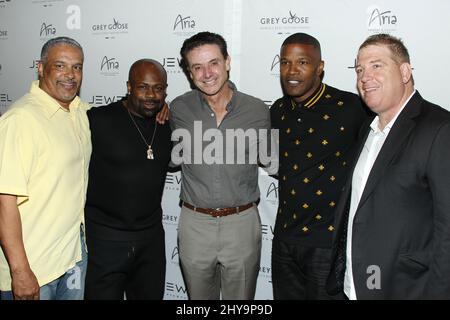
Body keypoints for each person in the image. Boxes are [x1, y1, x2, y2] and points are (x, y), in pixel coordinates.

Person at [327, 33, 450, 299]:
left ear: (405, 72)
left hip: (406, 288)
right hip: (357, 285)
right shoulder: (367, 130)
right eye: (359, 69)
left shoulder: (440, 128)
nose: (364, 76)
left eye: (376, 65)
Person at [170, 31, 272, 300]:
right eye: (197, 67)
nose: (207, 73)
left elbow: (273, 161)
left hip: (242, 222)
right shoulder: (178, 109)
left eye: (213, 63)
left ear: (227, 61)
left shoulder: (257, 110)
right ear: (190, 73)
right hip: (194, 224)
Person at [270, 33, 368, 299]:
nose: (292, 71)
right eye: (285, 62)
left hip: (328, 243)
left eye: (303, 62)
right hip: (284, 240)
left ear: (320, 67)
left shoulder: (351, 107)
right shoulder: (277, 110)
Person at [0, 37, 90, 300]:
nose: (70, 75)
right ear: (41, 68)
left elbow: (122, 113)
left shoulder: (79, 111)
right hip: (34, 268)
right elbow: (5, 201)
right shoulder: (20, 120)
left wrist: (161, 107)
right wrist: (20, 271)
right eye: (60, 66)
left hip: (73, 258)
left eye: (77, 67)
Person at [84, 59, 171, 300]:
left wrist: (169, 107)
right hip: (105, 241)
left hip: (151, 241)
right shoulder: (97, 120)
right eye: (143, 87)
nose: (151, 95)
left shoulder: (168, 123)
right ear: (129, 87)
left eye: (158, 88)